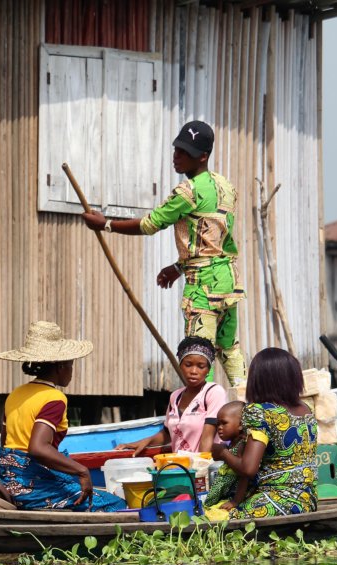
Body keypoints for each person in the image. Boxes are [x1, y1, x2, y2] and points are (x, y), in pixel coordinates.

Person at [80, 120, 247, 388]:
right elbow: (213, 242)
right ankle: (245, 403)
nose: (177, 157)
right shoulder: (225, 186)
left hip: (203, 285)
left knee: (198, 352)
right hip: (228, 281)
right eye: (177, 150)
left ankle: (206, 415)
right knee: (229, 348)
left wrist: (106, 225)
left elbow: (150, 224)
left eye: (185, 153)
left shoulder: (188, 191)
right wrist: (179, 267)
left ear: (202, 157)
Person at [0, 321, 126, 511]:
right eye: (71, 365)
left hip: (7, 480)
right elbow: (38, 448)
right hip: (31, 486)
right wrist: (82, 472)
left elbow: (5, 442)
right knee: (116, 503)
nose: (72, 371)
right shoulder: (54, 398)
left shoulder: (15, 393)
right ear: (61, 367)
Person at [211, 348, 318, 518]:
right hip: (308, 500)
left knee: (214, 517)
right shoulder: (306, 409)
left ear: (259, 380)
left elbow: (248, 468)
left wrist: (223, 453)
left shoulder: (259, 412)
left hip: (276, 501)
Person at [118, 336, 227, 456]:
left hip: (203, 466)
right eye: (188, 364)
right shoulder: (175, 396)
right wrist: (143, 442)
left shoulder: (213, 392)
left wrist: (201, 467)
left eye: (201, 366)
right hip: (180, 466)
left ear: (208, 370)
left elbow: (208, 437)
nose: (194, 371)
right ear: (180, 365)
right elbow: (168, 434)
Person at [203, 400, 248, 509]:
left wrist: (235, 501)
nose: (219, 427)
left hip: (234, 496)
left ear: (241, 425)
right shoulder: (231, 444)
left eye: (224, 423)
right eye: (218, 424)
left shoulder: (242, 445)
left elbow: (244, 476)